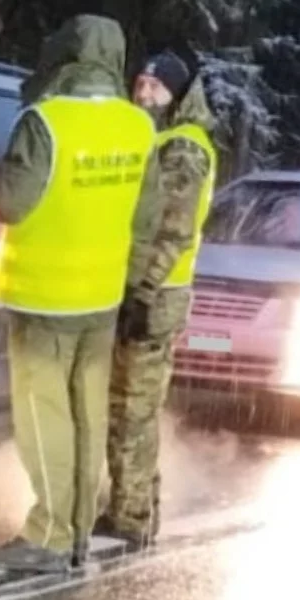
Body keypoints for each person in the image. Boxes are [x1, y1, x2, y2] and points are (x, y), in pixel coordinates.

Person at [0, 15, 161, 574]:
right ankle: (78, 529)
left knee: (44, 418)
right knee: (86, 416)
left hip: (44, 300)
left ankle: (50, 536)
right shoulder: (137, 128)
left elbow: (12, 200)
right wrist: (135, 289)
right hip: (102, 301)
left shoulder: (46, 123)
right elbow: (147, 219)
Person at [95, 49, 217, 551]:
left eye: (155, 87)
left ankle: (132, 515)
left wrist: (141, 294)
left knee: (134, 408)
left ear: (176, 95)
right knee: (125, 405)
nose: (144, 94)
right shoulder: (153, 139)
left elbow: (172, 231)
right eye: (140, 84)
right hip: (141, 289)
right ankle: (132, 505)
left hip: (157, 294)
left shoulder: (183, 147)